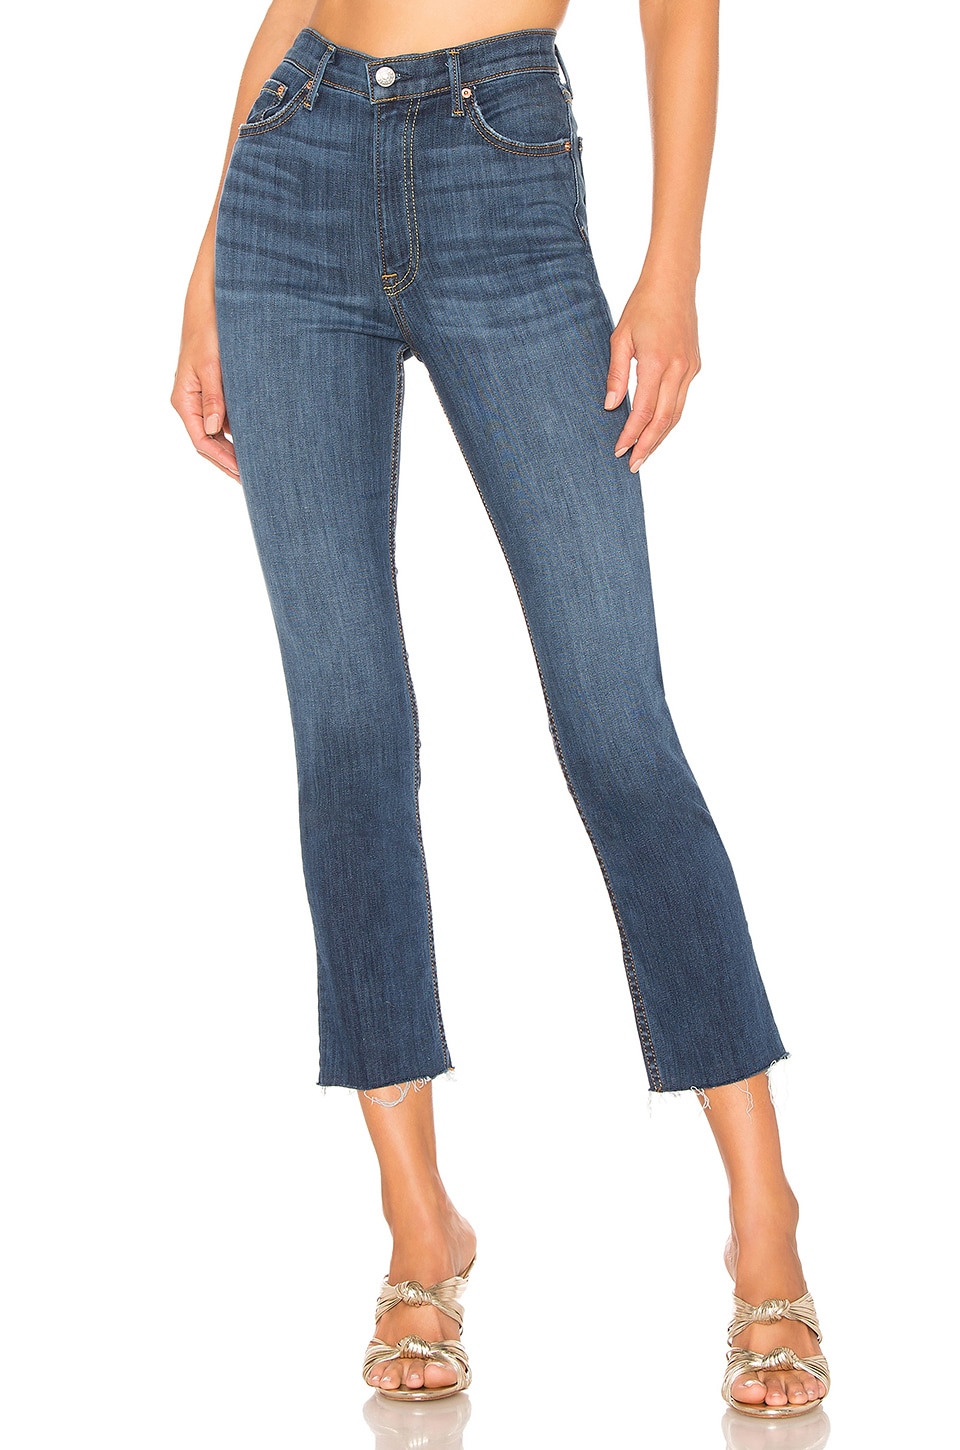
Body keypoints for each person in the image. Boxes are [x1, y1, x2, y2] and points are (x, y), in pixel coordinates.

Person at [171, 0, 830, 1418]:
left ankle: (763, 1215)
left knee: (616, 728)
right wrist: (208, 263)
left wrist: (672, 267)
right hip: (291, 171)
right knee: (348, 726)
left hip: (502, 161)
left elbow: (682, 9)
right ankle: (418, 1222)